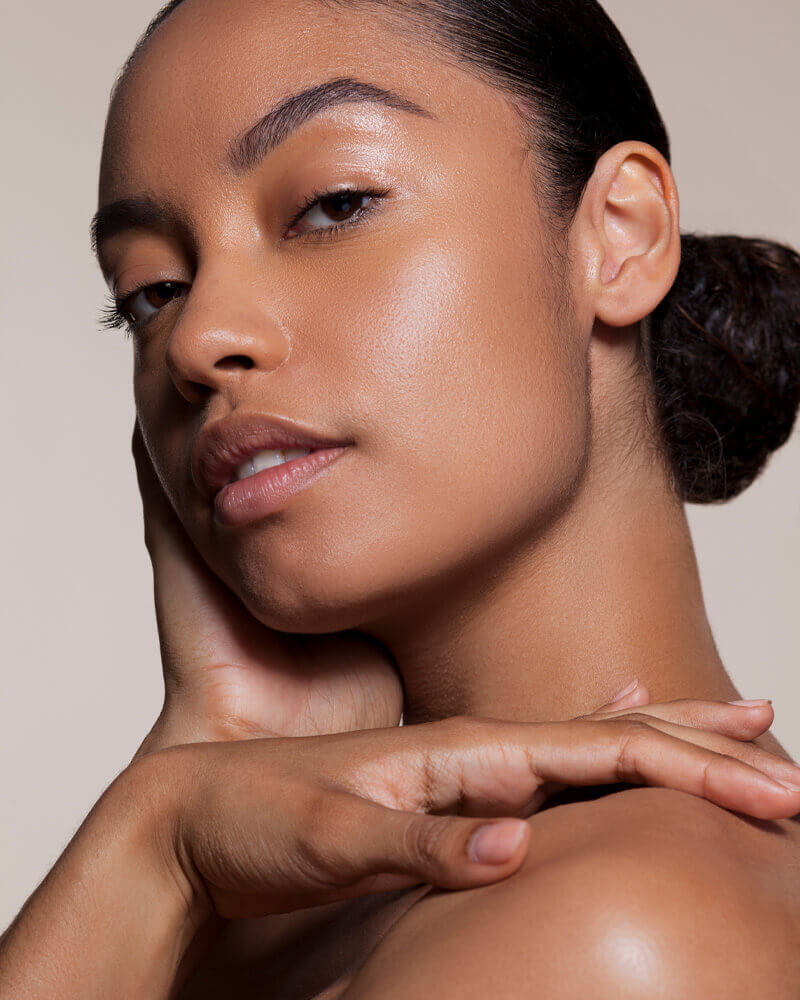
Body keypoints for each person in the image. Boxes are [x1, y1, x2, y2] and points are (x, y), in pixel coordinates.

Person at [2, 0, 799, 996]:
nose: (200, 337)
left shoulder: (601, 929)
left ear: (619, 236)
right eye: (151, 290)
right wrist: (189, 790)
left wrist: (151, 847)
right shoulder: (279, 902)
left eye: (333, 203)